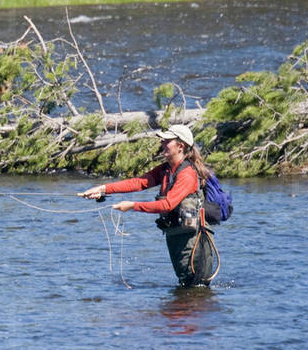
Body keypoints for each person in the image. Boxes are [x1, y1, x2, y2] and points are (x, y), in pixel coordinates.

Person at [79, 123, 218, 287]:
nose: (162, 144)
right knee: (185, 287)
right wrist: (102, 189)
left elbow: (167, 204)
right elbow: (138, 183)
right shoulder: (166, 169)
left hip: (193, 241)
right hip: (176, 235)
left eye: (167, 141)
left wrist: (132, 205)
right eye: (162, 141)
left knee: (195, 288)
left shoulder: (187, 174)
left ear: (180, 146)